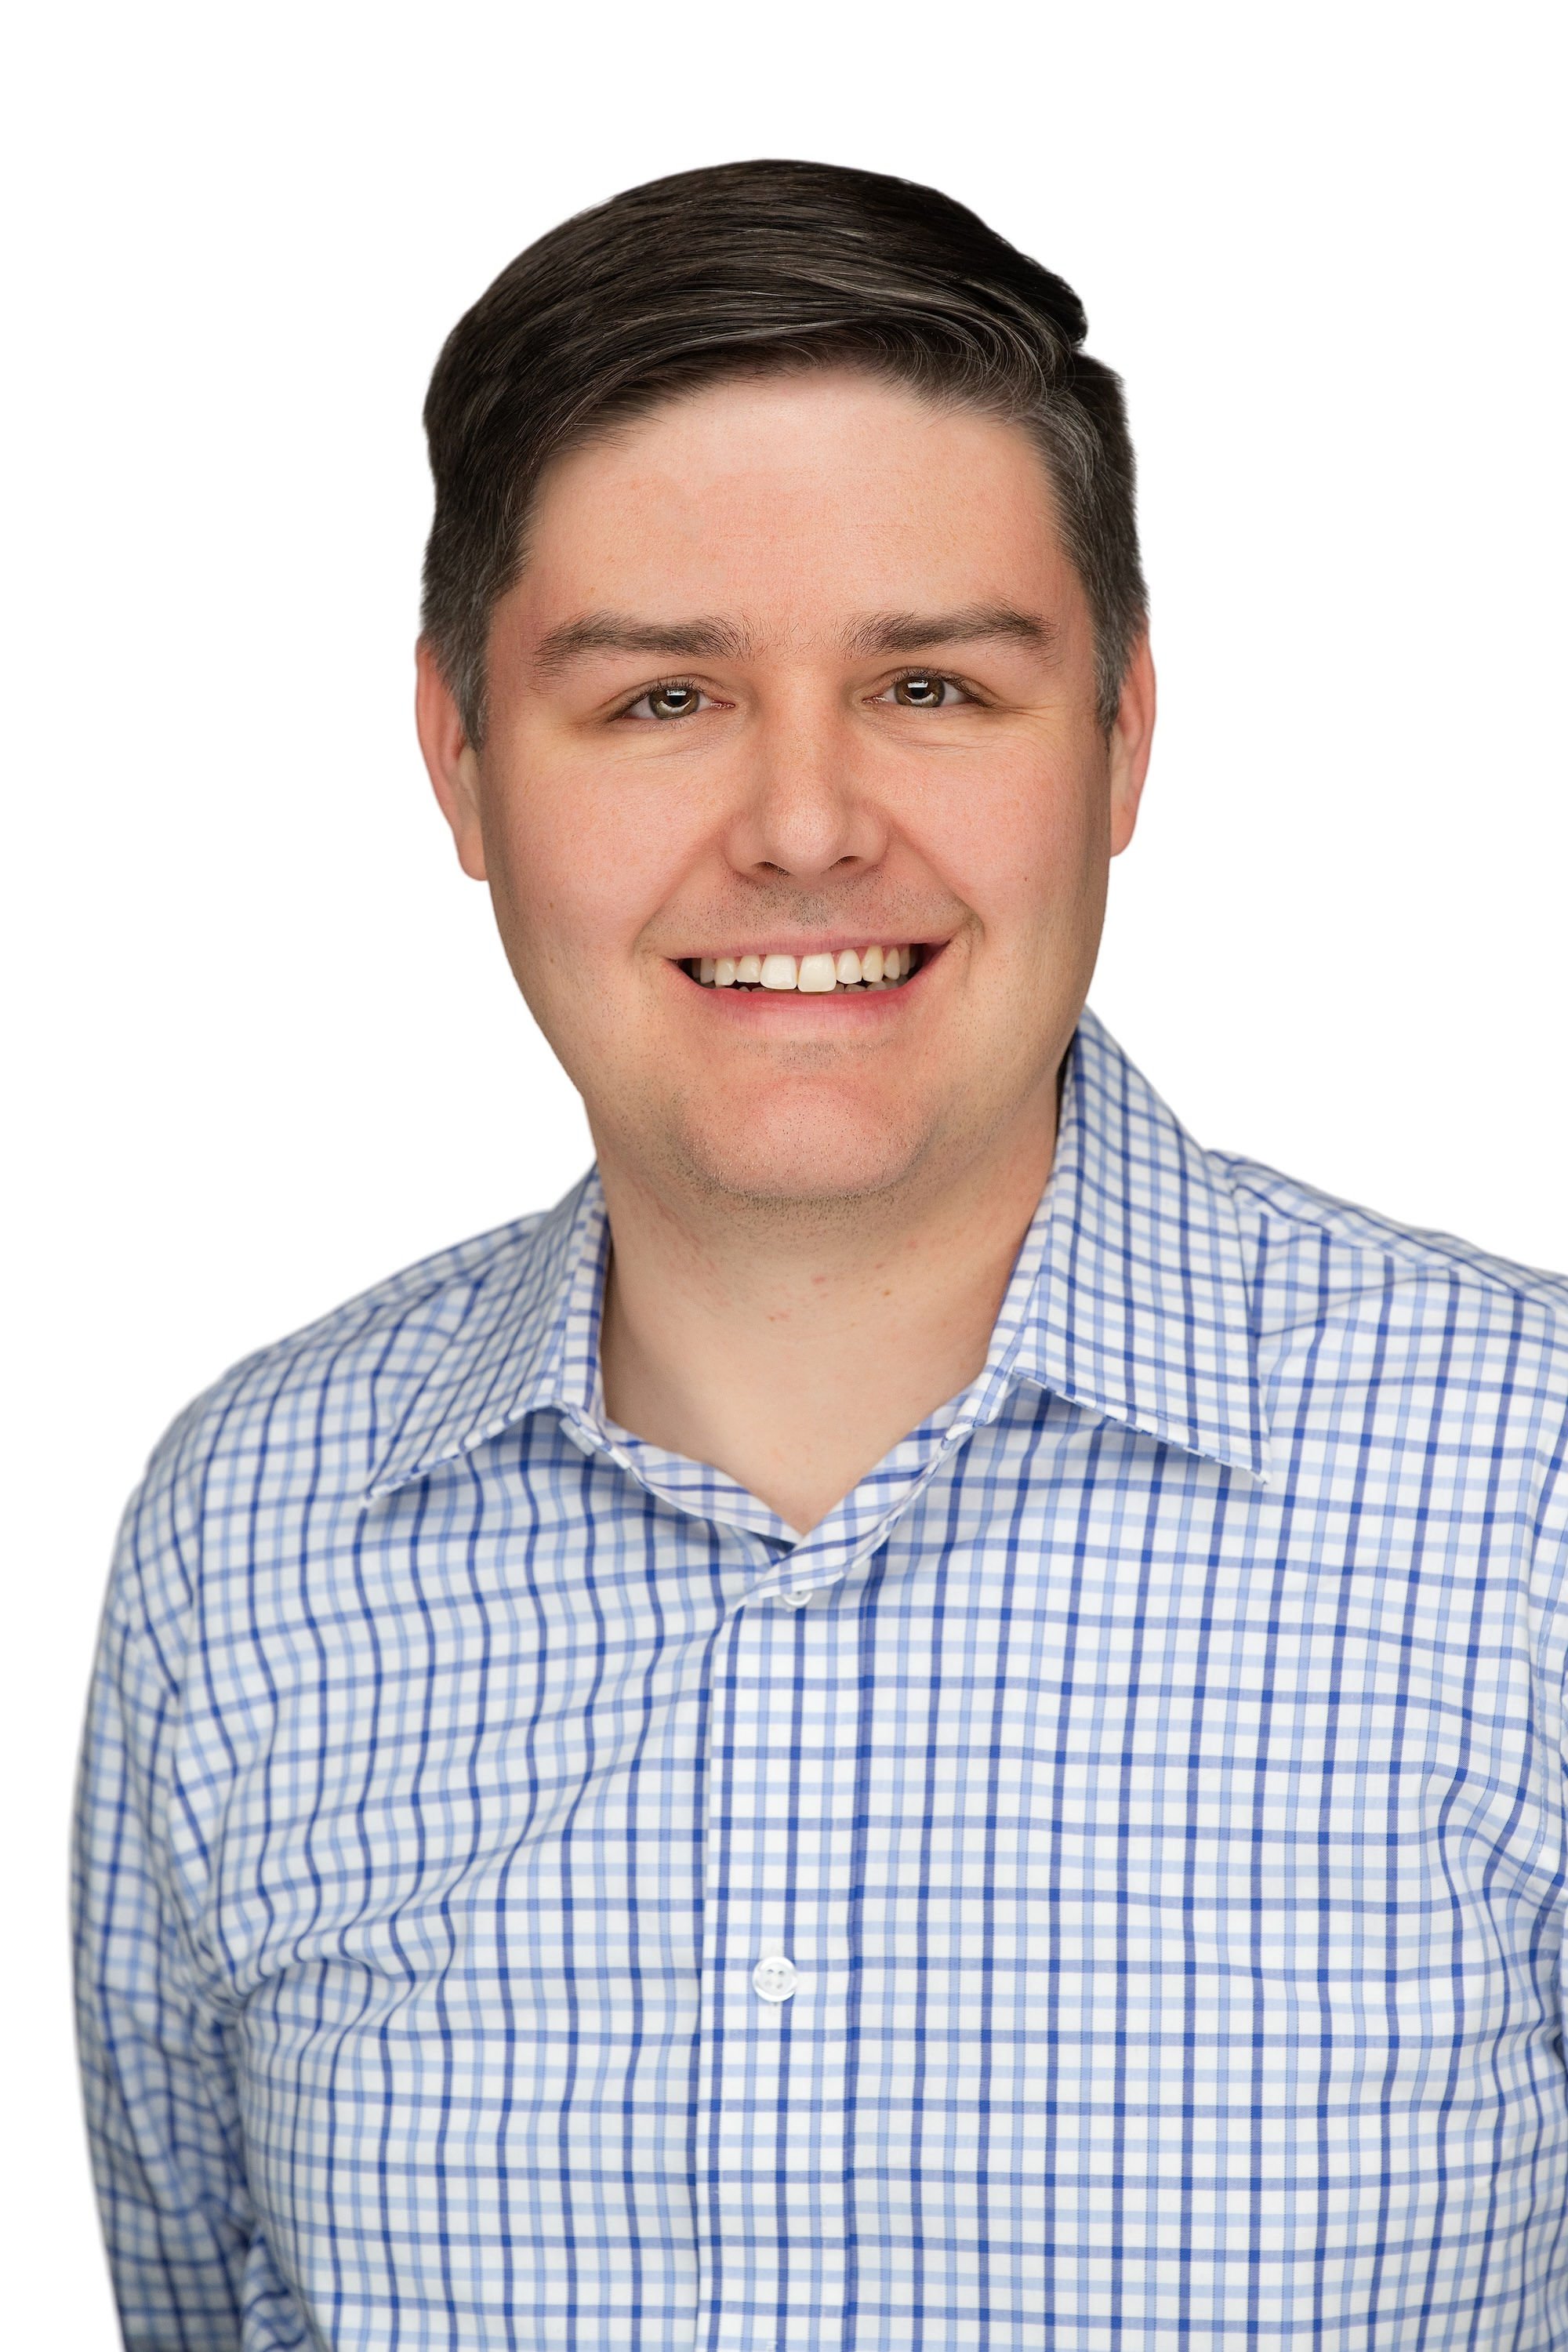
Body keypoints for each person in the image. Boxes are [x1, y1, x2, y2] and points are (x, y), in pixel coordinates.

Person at [72, 158, 1568, 2351]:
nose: (798, 822)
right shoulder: (245, 1542)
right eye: (663, 699)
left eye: (934, 690)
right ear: (461, 765)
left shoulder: (1536, 1501)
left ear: (1122, 739)